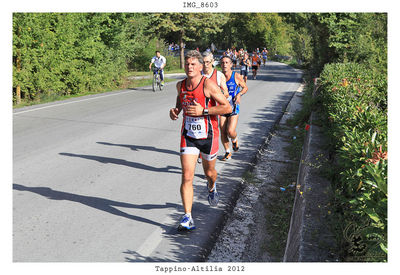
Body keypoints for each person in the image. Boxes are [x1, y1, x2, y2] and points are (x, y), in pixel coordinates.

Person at [169, 50, 231, 231]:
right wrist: (175, 112)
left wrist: (203, 111)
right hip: (188, 136)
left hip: (208, 136)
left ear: (200, 66)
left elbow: (226, 107)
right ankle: (187, 217)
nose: (189, 67)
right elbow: (180, 103)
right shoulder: (180, 85)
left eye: (193, 64)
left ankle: (212, 187)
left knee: (209, 173)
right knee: (187, 176)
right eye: (187, 64)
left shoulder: (208, 85)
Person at [219, 55, 248, 161]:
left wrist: (239, 94)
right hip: (222, 107)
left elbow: (245, 87)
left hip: (233, 107)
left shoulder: (235, 76)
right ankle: (227, 152)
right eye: (222, 63)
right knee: (222, 131)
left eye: (227, 62)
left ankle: (234, 140)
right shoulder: (218, 76)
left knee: (230, 131)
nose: (224, 65)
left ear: (231, 64)